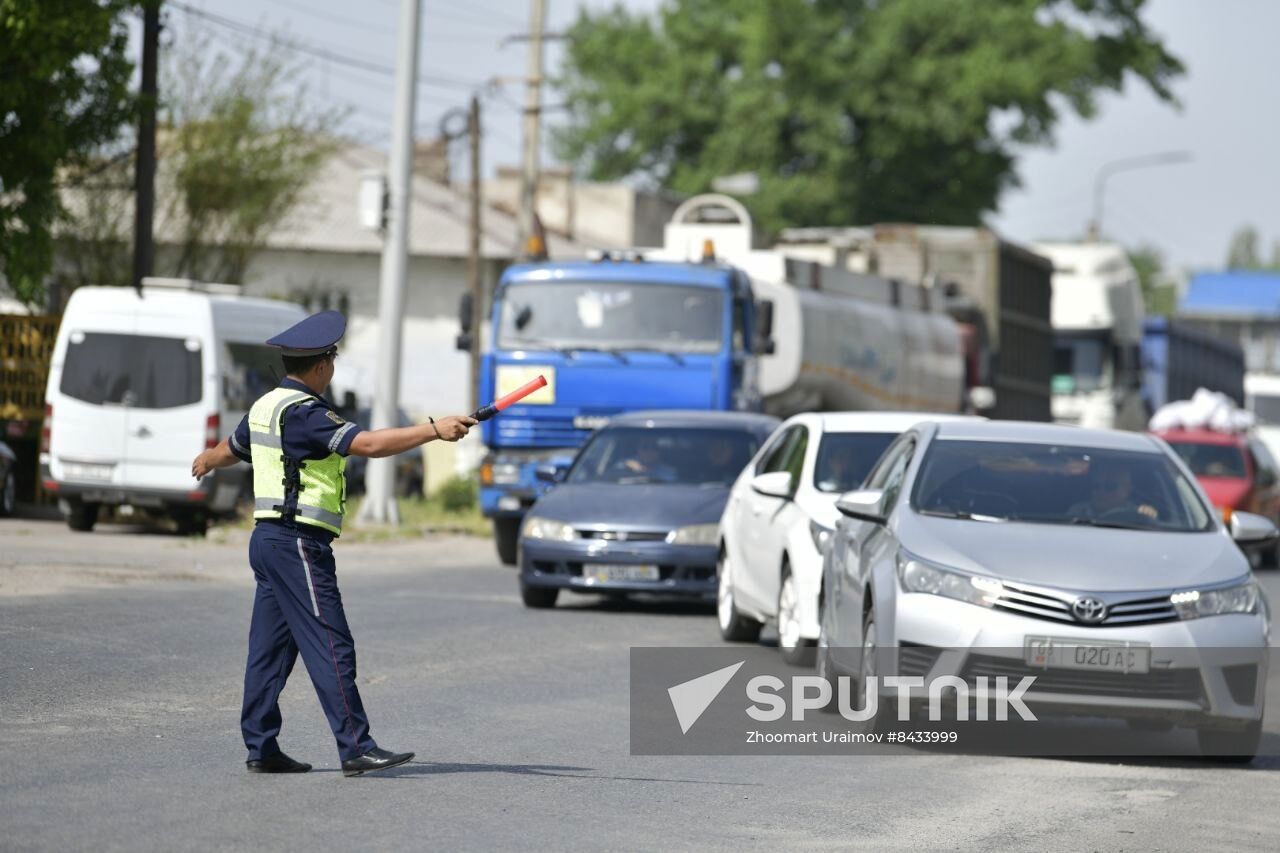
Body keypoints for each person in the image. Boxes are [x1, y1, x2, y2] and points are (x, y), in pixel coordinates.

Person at [191, 310, 477, 777]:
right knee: (331, 642)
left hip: (267, 541)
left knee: (270, 651)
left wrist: (207, 459)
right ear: (322, 365)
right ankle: (356, 746)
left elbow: (232, 449)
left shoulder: (266, 406)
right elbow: (369, 445)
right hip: (298, 543)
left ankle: (261, 746)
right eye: (333, 361)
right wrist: (433, 430)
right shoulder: (308, 414)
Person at [1068, 463, 1158, 521]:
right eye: (1096, 486)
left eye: (1110, 487)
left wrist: (1148, 516)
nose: (1101, 491)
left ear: (1127, 490)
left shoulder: (1139, 514)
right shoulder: (1077, 512)